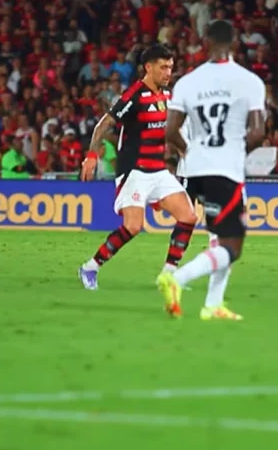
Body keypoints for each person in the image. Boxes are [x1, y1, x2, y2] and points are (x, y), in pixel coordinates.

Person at [157, 20, 265, 320]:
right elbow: (258, 132)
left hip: (195, 169)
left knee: (220, 236)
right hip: (225, 170)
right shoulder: (249, 81)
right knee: (233, 245)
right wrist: (235, 151)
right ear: (234, 43)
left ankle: (213, 305)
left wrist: (192, 151)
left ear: (205, 43)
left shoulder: (187, 82)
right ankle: (176, 279)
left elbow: (170, 131)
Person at [78, 44, 196, 290]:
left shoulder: (166, 96)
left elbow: (169, 133)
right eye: (163, 67)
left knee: (188, 217)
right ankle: (90, 266)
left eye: (170, 68)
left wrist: (186, 152)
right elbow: (104, 124)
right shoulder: (135, 95)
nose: (168, 73)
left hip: (159, 170)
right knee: (133, 227)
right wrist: (91, 156)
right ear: (148, 67)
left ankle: (168, 275)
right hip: (135, 171)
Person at [161, 117, 219, 277]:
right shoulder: (185, 114)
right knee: (186, 218)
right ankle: (169, 268)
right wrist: (189, 154)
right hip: (189, 173)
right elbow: (174, 136)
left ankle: (216, 258)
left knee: (213, 214)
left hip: (208, 172)